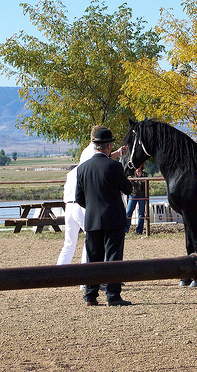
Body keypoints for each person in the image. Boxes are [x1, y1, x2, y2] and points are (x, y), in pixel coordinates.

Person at [76, 127, 133, 307]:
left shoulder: (82, 168)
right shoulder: (114, 166)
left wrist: (92, 207)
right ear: (108, 146)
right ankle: (112, 295)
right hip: (113, 218)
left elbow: (79, 197)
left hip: (92, 220)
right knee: (113, 257)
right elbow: (128, 189)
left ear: (95, 146)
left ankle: (90, 296)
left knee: (93, 258)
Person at [57, 125, 126, 267]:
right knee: (92, 241)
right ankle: (88, 277)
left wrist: (117, 153)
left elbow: (102, 159)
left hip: (69, 203)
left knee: (69, 244)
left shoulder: (85, 153)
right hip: (80, 204)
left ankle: (59, 274)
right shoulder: (91, 153)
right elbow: (101, 162)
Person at [126, 164, 148, 234]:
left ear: (142, 166)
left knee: (141, 213)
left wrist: (135, 181)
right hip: (133, 194)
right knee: (128, 212)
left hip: (142, 195)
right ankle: (126, 229)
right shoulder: (132, 174)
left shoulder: (144, 174)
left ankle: (139, 231)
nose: (138, 167)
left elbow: (145, 184)